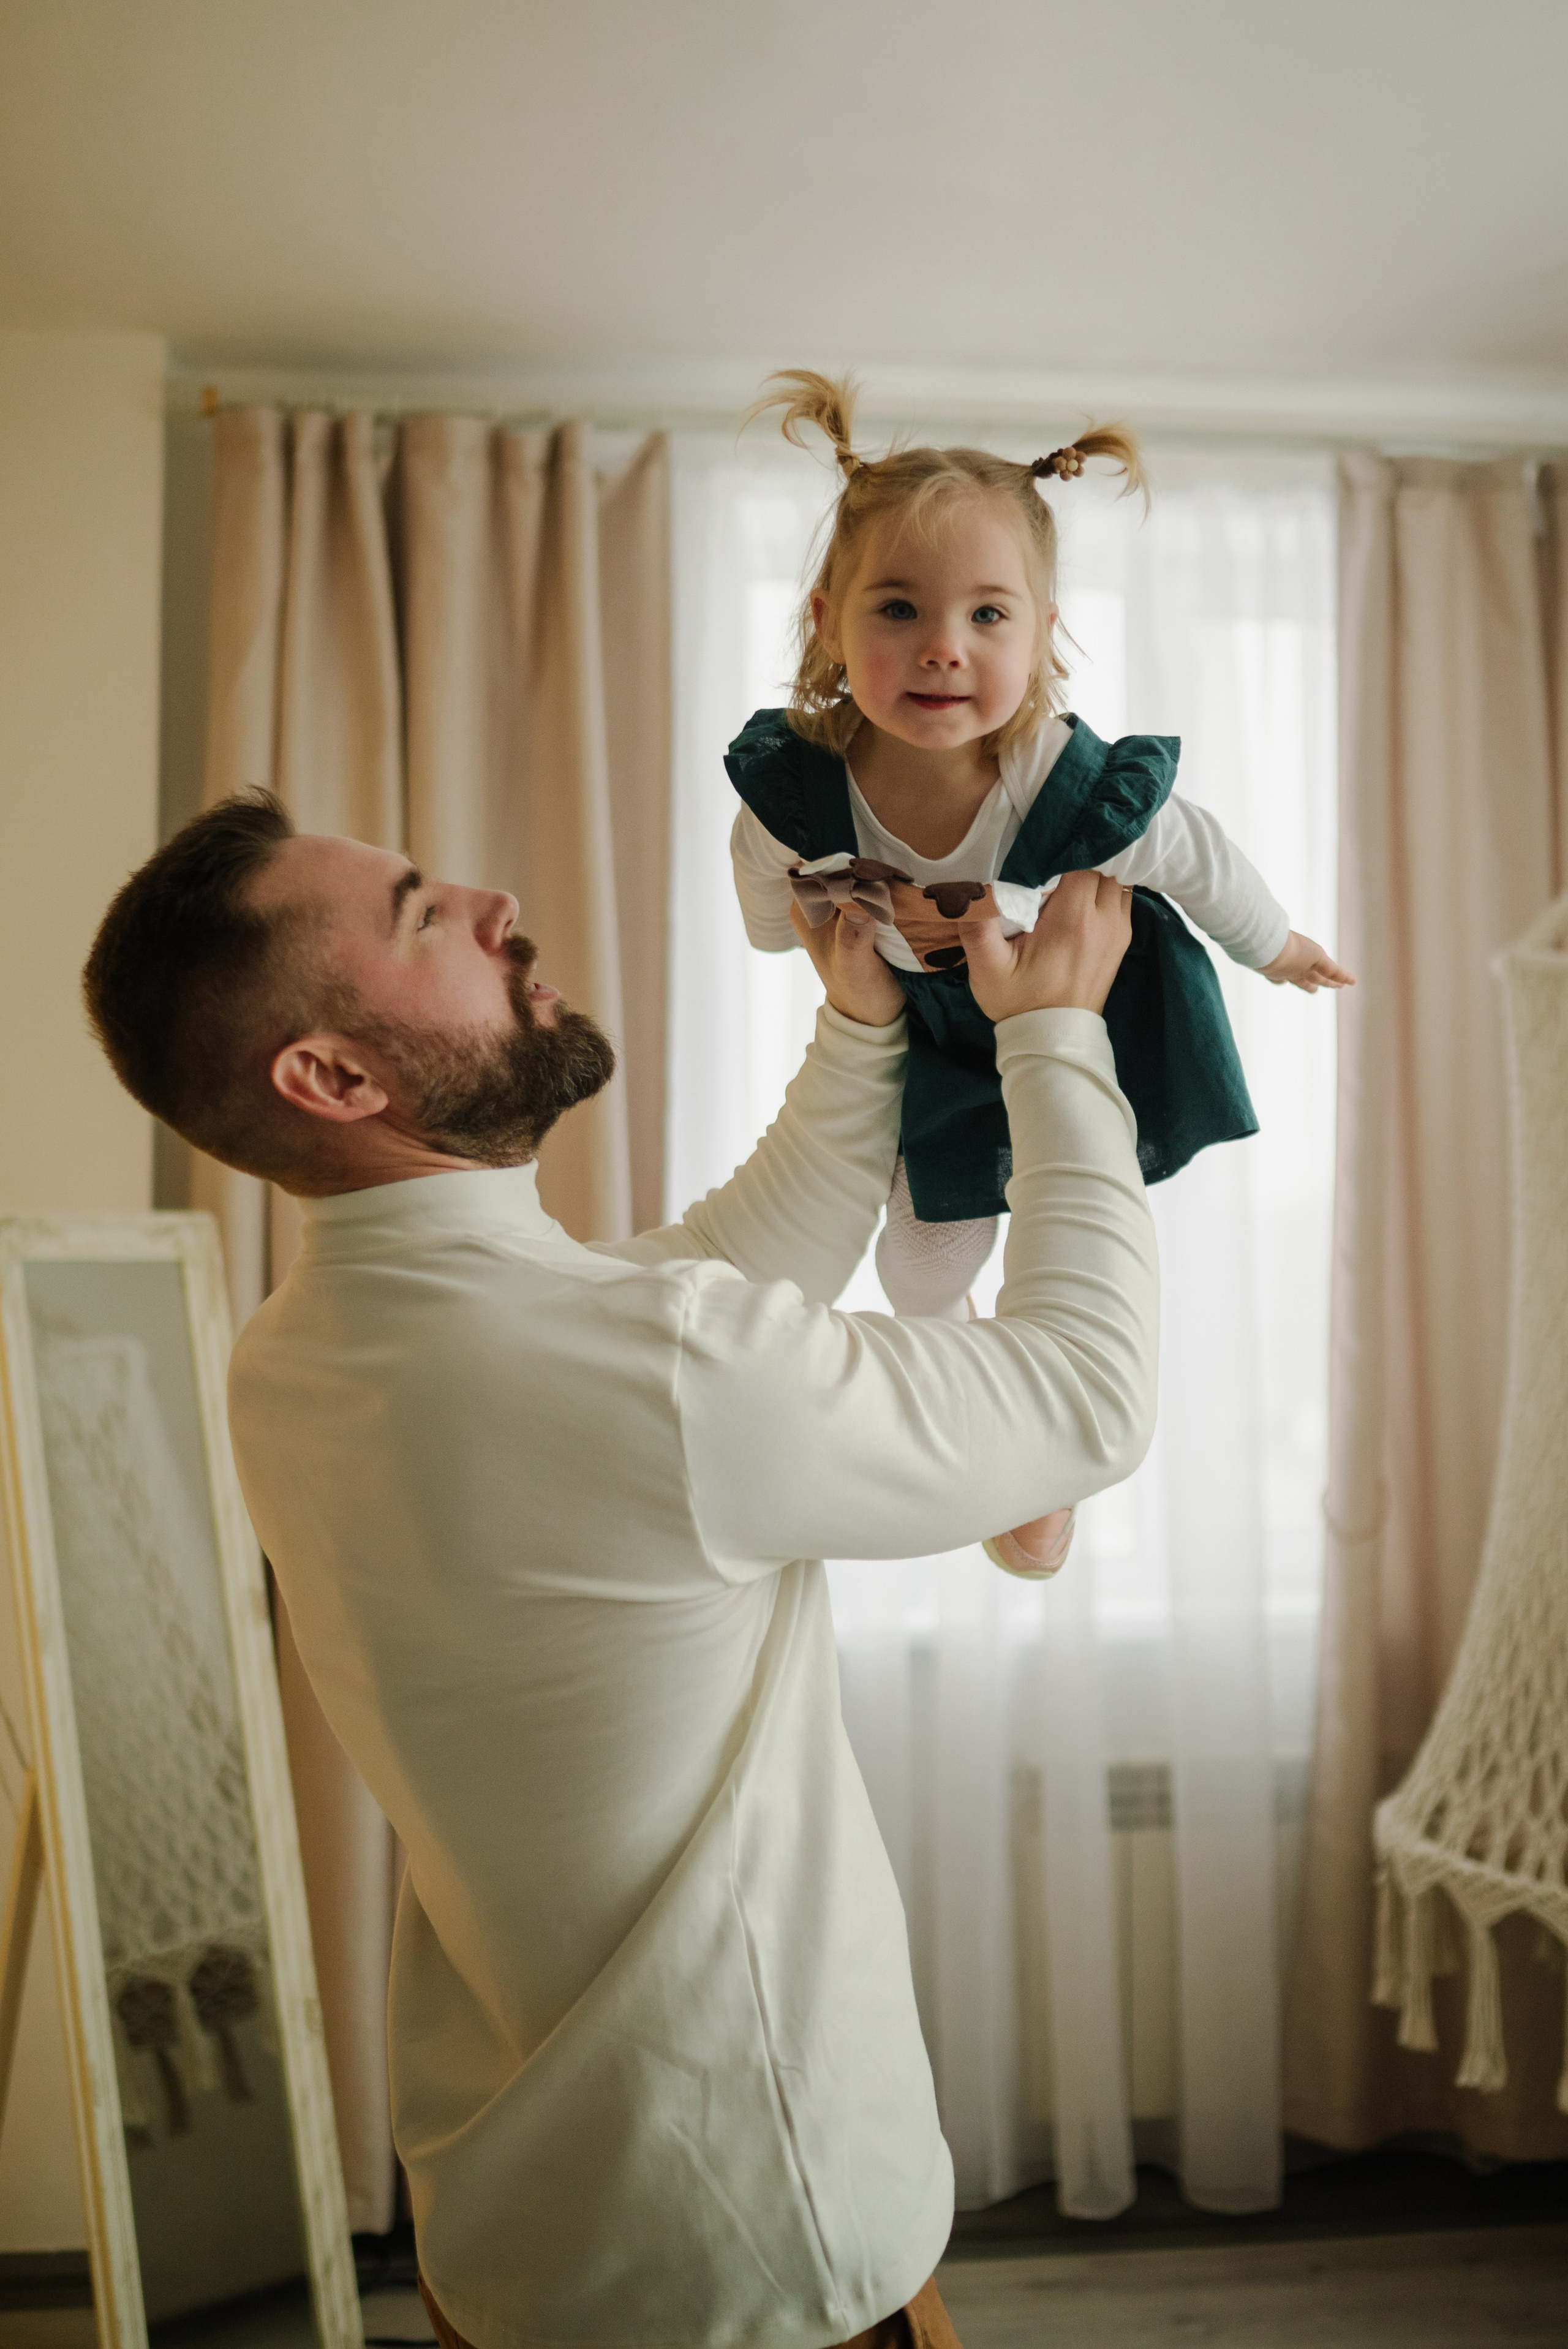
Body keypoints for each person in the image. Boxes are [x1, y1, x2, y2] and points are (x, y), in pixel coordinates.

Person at [82, 791, 1156, 2349]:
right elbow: (1082, 1400)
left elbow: (696, 1290)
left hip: (527, 2242)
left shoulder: (301, 1355)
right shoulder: (625, 1365)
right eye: (418, 915)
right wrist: (1056, 1041)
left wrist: (858, 1033)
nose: (490, 897)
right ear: (333, 1075)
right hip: (760, 2265)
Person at [728, 371, 1352, 1576]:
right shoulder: (802, 789)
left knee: (1069, 1251)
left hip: (1076, 1016)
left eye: (986, 617)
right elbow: (763, 891)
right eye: (897, 610)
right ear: (825, 620)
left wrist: (1272, 946)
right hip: (941, 1040)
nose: (942, 650)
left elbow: (1189, 850)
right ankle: (979, 1391)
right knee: (912, 1273)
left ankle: (1041, 1481)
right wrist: (800, 933)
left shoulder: (1056, 778)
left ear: (1044, 628)